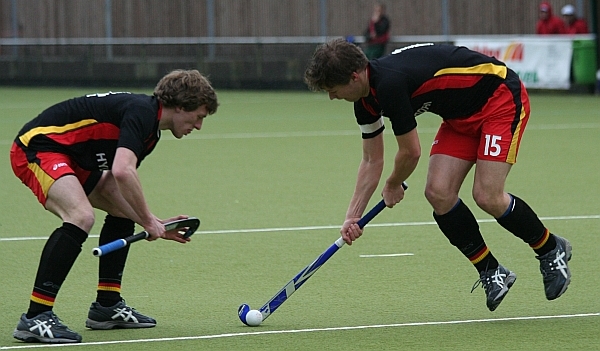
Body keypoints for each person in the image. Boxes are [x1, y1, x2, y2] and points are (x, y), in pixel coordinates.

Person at [304, 38, 572, 312]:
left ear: (354, 76)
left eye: (333, 90)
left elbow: (411, 153)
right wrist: (353, 215)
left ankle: (550, 248)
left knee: (487, 195)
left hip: (499, 100)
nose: (332, 97)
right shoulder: (365, 101)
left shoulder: (389, 85)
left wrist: (393, 184)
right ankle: (491, 270)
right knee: (438, 192)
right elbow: (372, 159)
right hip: (459, 117)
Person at [10, 69, 219, 343]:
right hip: (37, 147)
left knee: (120, 210)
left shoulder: (150, 130)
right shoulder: (142, 113)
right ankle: (36, 317)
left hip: (73, 157)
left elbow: (113, 184)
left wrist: (155, 223)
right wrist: (147, 221)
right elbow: (122, 171)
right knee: (80, 216)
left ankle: (106, 307)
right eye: (199, 116)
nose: (199, 126)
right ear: (181, 106)